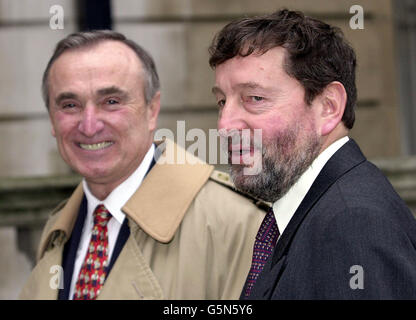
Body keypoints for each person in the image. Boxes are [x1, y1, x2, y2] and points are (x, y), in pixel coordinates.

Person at [19, 30, 266, 300]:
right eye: (69, 105)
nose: (89, 126)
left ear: (152, 110)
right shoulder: (59, 228)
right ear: (52, 121)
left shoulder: (237, 223)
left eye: (111, 102)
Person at [209, 9, 416, 299]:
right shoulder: (320, 211)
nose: (224, 125)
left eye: (254, 98)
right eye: (221, 101)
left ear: (328, 107)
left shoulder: (354, 224)